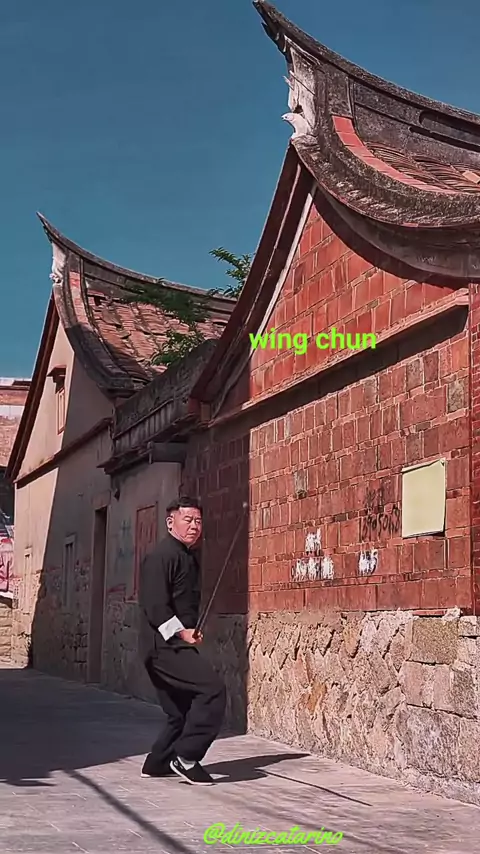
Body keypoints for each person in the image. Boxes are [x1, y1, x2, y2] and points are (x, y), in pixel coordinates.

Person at [138, 496, 226, 786]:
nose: (194, 526)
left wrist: (189, 631)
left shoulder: (187, 556)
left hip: (172, 645)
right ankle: (186, 758)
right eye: (187, 520)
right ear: (170, 522)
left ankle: (158, 762)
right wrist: (181, 633)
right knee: (212, 689)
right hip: (163, 647)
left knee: (180, 711)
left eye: (198, 521)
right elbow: (155, 606)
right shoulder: (161, 557)